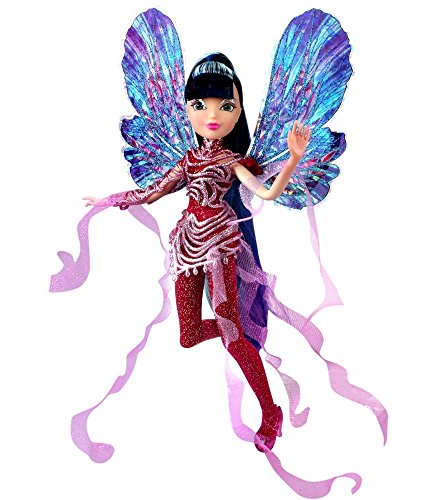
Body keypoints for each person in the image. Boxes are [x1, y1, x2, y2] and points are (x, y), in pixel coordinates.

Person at [84, 53, 312, 451]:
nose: (212, 114)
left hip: (220, 247)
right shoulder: (188, 160)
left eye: (226, 106)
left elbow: (267, 193)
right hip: (186, 246)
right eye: (200, 105)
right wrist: (108, 200)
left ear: (238, 112)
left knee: (232, 336)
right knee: (188, 335)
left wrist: (293, 158)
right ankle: (237, 330)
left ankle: (269, 410)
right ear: (188, 109)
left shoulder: (233, 162)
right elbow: (151, 192)